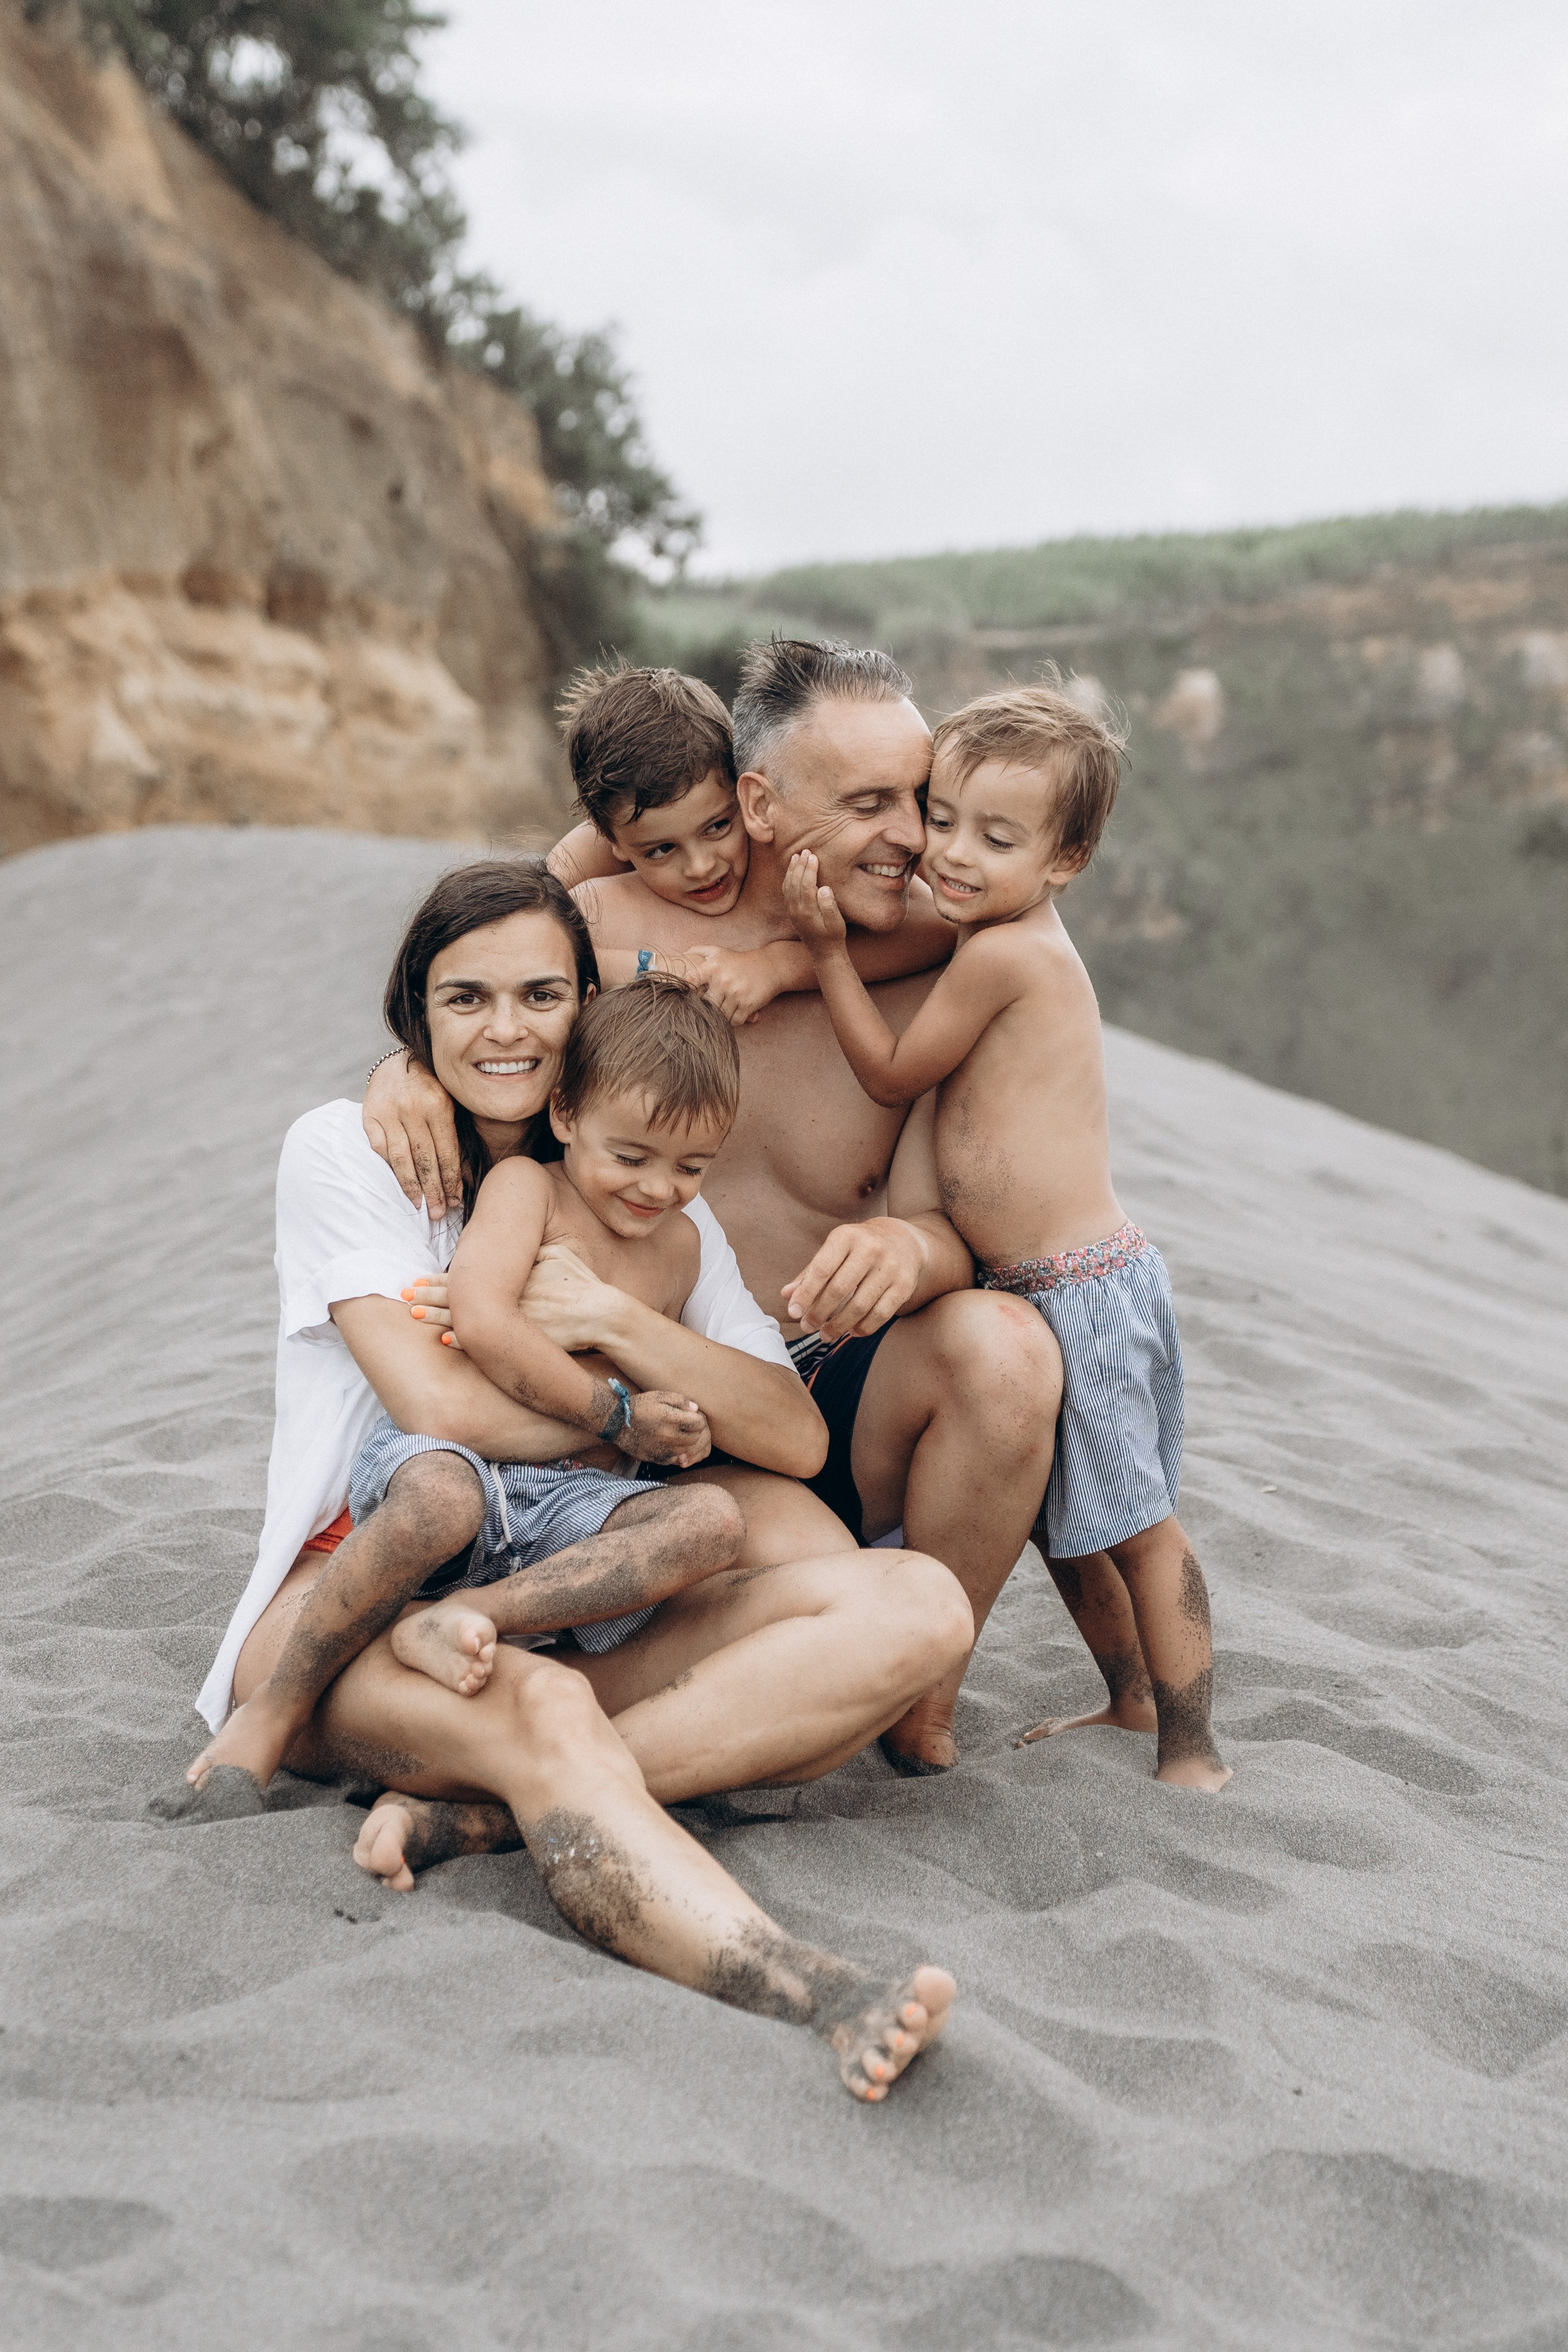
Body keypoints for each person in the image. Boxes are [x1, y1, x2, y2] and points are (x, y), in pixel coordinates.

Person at [166, 858, 973, 2100]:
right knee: (551, 1715)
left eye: (541, 995)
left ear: (583, 1013)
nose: (504, 1029)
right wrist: (622, 1425)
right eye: (464, 1000)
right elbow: (435, 1406)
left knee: (913, 1601)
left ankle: (490, 1814)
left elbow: (791, 1439)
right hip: (362, 1594)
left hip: (554, 1590)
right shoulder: (352, 1148)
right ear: (415, 1017)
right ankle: (804, 1986)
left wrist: (614, 1315)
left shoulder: (644, 1199)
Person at [366, 641, 1065, 1774]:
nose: (916, 838)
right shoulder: (600, 925)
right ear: (759, 800)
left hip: (823, 1377)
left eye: (926, 804)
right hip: (623, 1404)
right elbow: (480, 984)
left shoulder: (934, 970)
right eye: (874, 804)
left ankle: (919, 1703)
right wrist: (402, 1068)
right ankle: (582, 1750)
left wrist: (906, 1243)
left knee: (1009, 1352)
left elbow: (958, 1234)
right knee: (795, 1576)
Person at [784, 681, 1229, 1792]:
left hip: (1084, 1287)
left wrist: (825, 953)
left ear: (1066, 859)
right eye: (941, 820)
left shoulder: (1005, 954)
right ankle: (1128, 1701)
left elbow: (890, 1070)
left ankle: (1193, 1747)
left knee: (1139, 1530)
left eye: (997, 837)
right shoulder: (988, 931)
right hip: (1030, 1285)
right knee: (1064, 1527)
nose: (953, 855)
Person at [544, 659, 955, 1025]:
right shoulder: (592, 888)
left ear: (742, 802)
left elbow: (938, 926)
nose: (702, 866)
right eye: (661, 850)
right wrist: (670, 969)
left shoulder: (909, 913)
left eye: (718, 827)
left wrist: (780, 966)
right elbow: (528, 941)